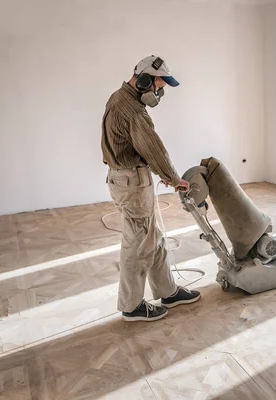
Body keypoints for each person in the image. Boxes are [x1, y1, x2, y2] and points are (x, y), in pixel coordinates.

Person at [101, 55, 201, 322]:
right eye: (160, 83)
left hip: (128, 180)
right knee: (137, 244)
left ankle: (167, 291)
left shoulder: (119, 98)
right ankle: (132, 306)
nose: (162, 90)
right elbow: (154, 149)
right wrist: (174, 177)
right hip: (132, 182)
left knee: (153, 237)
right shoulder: (133, 111)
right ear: (144, 80)